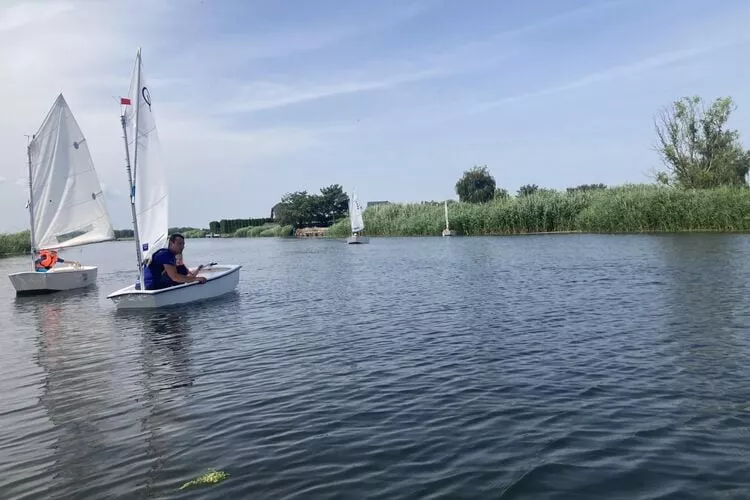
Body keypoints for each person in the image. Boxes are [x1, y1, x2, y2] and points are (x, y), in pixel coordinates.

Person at [142, 233, 207, 290]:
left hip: (146, 285)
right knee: (180, 270)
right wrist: (196, 279)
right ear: (171, 243)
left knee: (179, 269)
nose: (182, 247)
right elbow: (175, 277)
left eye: (183, 244)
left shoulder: (164, 252)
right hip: (153, 287)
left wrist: (197, 272)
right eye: (179, 244)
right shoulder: (166, 254)